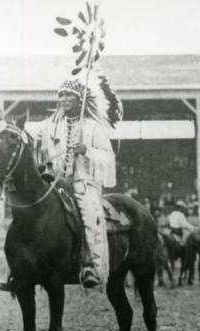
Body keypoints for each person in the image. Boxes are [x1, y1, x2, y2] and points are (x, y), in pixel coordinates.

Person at [37, 78, 122, 289]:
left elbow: (109, 158)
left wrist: (88, 151)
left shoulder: (94, 127)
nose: (64, 99)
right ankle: (20, 270)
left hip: (84, 184)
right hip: (54, 183)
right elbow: (34, 143)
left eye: (69, 95)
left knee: (90, 216)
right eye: (61, 95)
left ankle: (90, 266)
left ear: (79, 99)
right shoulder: (49, 127)